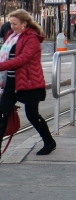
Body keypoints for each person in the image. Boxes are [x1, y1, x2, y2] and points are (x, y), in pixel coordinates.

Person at [0, 9, 55, 155]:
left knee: (32, 115)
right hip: (11, 82)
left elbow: (23, 59)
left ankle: (49, 142)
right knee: (2, 114)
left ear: (24, 23)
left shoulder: (32, 38)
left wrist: (1, 66)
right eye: (10, 23)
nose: (12, 27)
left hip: (29, 83)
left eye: (15, 24)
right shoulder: (12, 36)